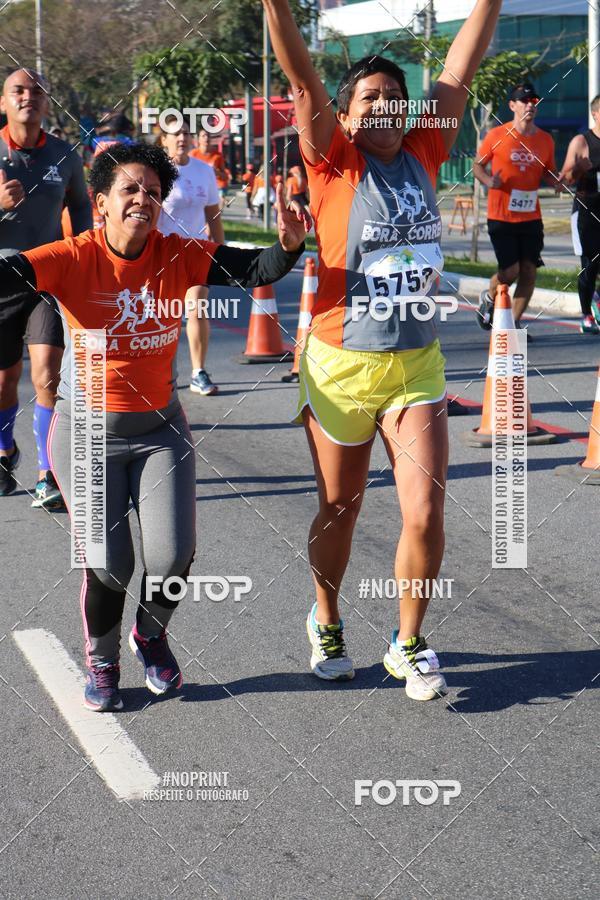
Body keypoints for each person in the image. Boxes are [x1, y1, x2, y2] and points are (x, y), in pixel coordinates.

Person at [0, 142, 309, 712]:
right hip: (87, 432)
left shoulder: (178, 253)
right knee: (111, 563)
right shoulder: (72, 256)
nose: (144, 198)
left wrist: (289, 244)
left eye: (152, 191)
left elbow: (251, 267)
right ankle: (103, 657)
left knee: (172, 555)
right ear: (101, 204)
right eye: (130, 190)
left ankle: (150, 632)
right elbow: (7, 276)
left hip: (159, 428)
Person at [263, 0, 502, 700]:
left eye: (397, 96)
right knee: (341, 509)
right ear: (347, 114)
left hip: (416, 365)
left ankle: (409, 642)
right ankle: (327, 618)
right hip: (340, 367)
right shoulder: (333, 159)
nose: (388, 105)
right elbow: (303, 77)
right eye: (371, 97)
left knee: (426, 512)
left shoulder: (426, 149)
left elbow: (460, 65)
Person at [0, 67, 92, 505]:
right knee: (4, 381)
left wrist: (91, 262)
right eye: (18, 90)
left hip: (48, 278)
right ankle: (4, 452)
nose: (28, 97)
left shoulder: (65, 154)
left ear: (46, 102)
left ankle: (48, 474)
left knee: (45, 376)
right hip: (0, 280)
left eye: (37, 91)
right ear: (3, 102)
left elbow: (83, 212)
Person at [473, 83, 561, 337]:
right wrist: (489, 181)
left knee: (529, 271)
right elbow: (478, 165)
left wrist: (557, 181)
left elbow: (548, 171)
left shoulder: (545, 139)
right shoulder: (496, 134)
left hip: (531, 216)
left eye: (534, 100)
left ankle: (510, 328)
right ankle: (489, 297)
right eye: (524, 101)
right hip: (501, 215)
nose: (530, 105)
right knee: (509, 272)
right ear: (513, 106)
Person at [157, 118, 225, 395]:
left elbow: (213, 215)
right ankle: (163, 374)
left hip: (196, 251)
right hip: (162, 253)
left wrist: (222, 253)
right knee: (166, 316)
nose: (181, 138)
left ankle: (198, 372)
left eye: (185, 132)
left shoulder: (204, 171)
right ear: (164, 140)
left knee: (197, 308)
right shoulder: (156, 172)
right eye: (174, 134)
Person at [559, 95, 600, 334]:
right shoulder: (582, 141)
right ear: (595, 114)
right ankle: (586, 315)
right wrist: (578, 168)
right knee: (590, 265)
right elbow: (564, 179)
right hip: (586, 211)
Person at [190, 130, 229, 205]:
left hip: (213, 189)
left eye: (208, 136)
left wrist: (216, 172)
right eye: (203, 136)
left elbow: (225, 176)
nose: (206, 138)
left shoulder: (217, 155)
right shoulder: (193, 154)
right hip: (197, 190)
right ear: (198, 139)